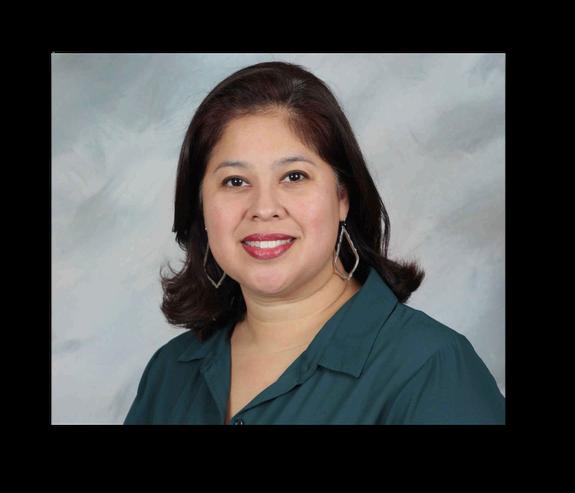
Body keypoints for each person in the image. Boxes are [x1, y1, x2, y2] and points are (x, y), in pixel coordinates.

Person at [123, 61, 505, 425]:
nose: (264, 208)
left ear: (342, 197)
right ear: (201, 206)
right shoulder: (169, 373)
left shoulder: (428, 367)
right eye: (235, 181)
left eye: (294, 176)